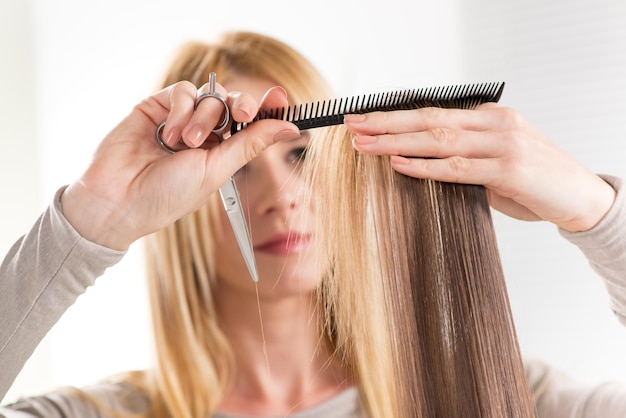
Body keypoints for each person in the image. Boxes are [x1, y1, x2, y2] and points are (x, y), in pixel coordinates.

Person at [0, 30, 624, 417]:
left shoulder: (500, 394)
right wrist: (90, 220)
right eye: (236, 167)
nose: (280, 195)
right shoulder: (90, 414)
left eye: (301, 154)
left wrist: (596, 212)